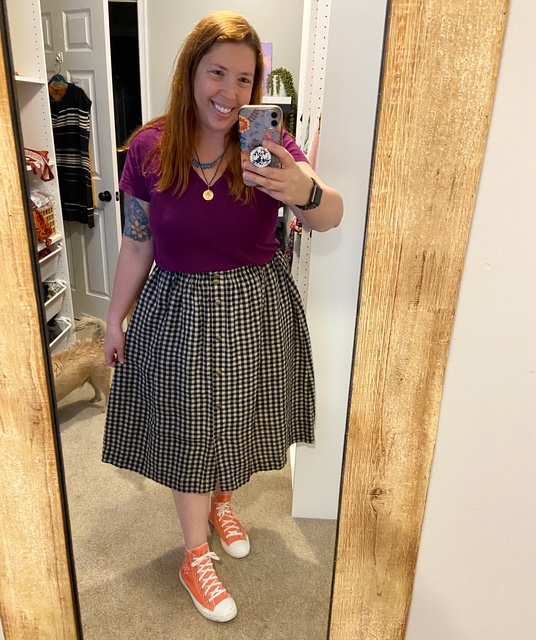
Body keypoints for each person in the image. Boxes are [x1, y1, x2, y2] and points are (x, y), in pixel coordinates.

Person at [102, 10, 343, 624]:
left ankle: (222, 500)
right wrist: (114, 318)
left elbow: (330, 215)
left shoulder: (269, 146)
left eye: (244, 79)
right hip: (176, 305)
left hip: (255, 305)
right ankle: (194, 555)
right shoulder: (151, 148)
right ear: (190, 71)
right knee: (187, 431)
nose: (230, 92)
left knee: (237, 418)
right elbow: (136, 243)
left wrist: (301, 189)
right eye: (217, 73)